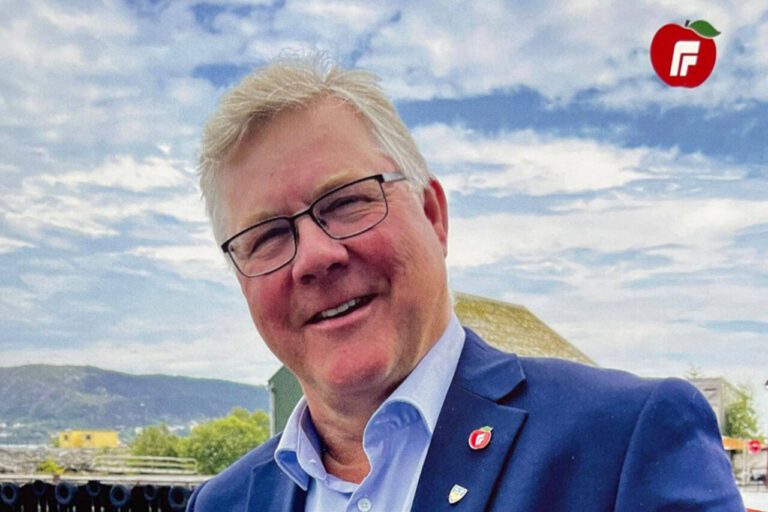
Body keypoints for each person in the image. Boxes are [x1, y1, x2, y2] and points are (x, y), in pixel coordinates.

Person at [187, 53, 743, 511]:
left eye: (347, 202)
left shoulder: (624, 441)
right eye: (266, 236)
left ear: (433, 215)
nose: (314, 257)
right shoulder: (221, 503)